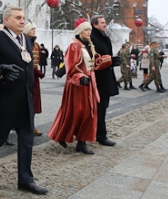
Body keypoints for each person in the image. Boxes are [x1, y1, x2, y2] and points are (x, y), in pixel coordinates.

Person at [0, 6, 48, 195]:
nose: (23, 21)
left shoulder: (26, 40)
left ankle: (26, 180)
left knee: (27, 139)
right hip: (4, 99)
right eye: (18, 18)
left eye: (24, 18)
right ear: (7, 20)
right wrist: (1, 71)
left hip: (24, 99)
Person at [48, 18, 99, 154]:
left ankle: (81, 142)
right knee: (76, 112)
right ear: (80, 31)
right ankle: (63, 135)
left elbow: (92, 64)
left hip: (89, 84)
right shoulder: (74, 46)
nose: (89, 32)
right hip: (77, 86)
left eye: (90, 29)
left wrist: (108, 61)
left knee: (88, 114)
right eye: (86, 29)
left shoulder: (87, 45)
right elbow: (70, 68)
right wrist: (80, 78)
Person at [90, 15, 118, 146]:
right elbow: (95, 60)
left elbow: (108, 56)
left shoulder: (105, 38)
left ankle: (98, 132)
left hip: (106, 77)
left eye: (105, 22)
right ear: (95, 25)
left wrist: (113, 61)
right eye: (102, 23)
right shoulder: (92, 38)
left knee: (104, 106)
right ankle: (101, 135)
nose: (105, 24)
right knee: (100, 107)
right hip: (98, 79)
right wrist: (109, 62)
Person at [24, 22, 44, 136]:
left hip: (35, 76)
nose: (34, 31)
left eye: (34, 29)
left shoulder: (36, 44)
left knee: (34, 102)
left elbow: (38, 60)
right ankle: (26, 125)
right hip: (28, 75)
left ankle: (31, 125)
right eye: (32, 29)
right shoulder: (24, 44)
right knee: (27, 101)